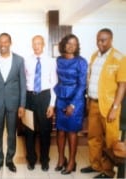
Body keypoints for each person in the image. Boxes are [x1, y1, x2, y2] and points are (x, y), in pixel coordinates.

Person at [80, 28, 126, 178]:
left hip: (109, 107)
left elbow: (122, 85)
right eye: (98, 39)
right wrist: (88, 101)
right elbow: (91, 79)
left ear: (111, 40)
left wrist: (115, 107)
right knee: (93, 138)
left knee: (110, 141)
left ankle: (107, 171)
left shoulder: (119, 58)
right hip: (93, 103)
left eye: (103, 40)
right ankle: (95, 165)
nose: (100, 43)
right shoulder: (94, 56)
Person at [0, 32, 26, 173]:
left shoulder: (19, 60)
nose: (3, 44)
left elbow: (23, 84)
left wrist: (22, 105)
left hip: (13, 104)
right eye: (0, 42)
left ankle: (9, 160)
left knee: (11, 134)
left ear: (10, 42)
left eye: (5, 42)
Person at [54, 34, 88, 175]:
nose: (71, 46)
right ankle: (61, 159)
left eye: (74, 44)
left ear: (77, 46)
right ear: (64, 44)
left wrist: (73, 104)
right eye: (68, 43)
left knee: (72, 131)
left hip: (76, 98)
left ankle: (72, 162)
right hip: (61, 96)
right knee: (60, 130)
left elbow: (82, 85)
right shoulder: (59, 60)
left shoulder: (81, 61)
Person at [23, 35, 57, 171]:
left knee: (45, 131)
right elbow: (24, 81)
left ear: (43, 45)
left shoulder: (51, 61)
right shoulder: (26, 61)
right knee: (29, 131)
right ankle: (31, 159)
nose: (36, 46)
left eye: (39, 43)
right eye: (34, 43)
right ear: (32, 45)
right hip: (29, 97)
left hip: (45, 97)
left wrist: (52, 104)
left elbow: (54, 83)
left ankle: (44, 160)